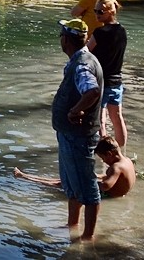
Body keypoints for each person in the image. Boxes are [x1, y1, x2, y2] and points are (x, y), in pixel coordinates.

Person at [52, 18, 105, 241]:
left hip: (78, 137)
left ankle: (87, 238)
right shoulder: (80, 59)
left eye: (61, 36)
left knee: (87, 187)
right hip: (69, 135)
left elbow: (91, 91)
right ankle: (72, 224)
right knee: (71, 184)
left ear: (66, 40)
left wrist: (74, 110)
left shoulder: (82, 64)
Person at [14, 136, 136, 199]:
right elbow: (110, 179)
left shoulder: (116, 167)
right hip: (117, 194)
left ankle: (24, 177)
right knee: (64, 181)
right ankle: (25, 176)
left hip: (109, 196)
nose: (103, 161)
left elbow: (106, 185)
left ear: (109, 154)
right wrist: (92, 176)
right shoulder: (127, 161)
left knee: (62, 184)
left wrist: (84, 182)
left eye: (103, 158)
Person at [90, 0, 128, 148]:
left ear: (111, 12)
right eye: (95, 11)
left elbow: (85, 51)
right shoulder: (122, 30)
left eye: (100, 11)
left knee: (101, 120)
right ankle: (121, 153)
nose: (97, 14)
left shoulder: (99, 33)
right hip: (117, 82)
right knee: (117, 117)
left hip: (102, 82)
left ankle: (104, 155)